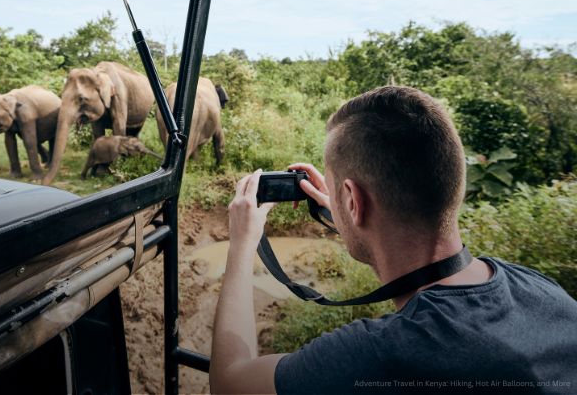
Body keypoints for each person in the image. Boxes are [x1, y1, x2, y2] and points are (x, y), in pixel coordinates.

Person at [209, 86, 577, 394]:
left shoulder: (386, 352)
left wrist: (243, 243)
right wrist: (343, 213)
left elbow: (230, 384)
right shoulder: (543, 290)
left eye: (342, 197)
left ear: (354, 200)